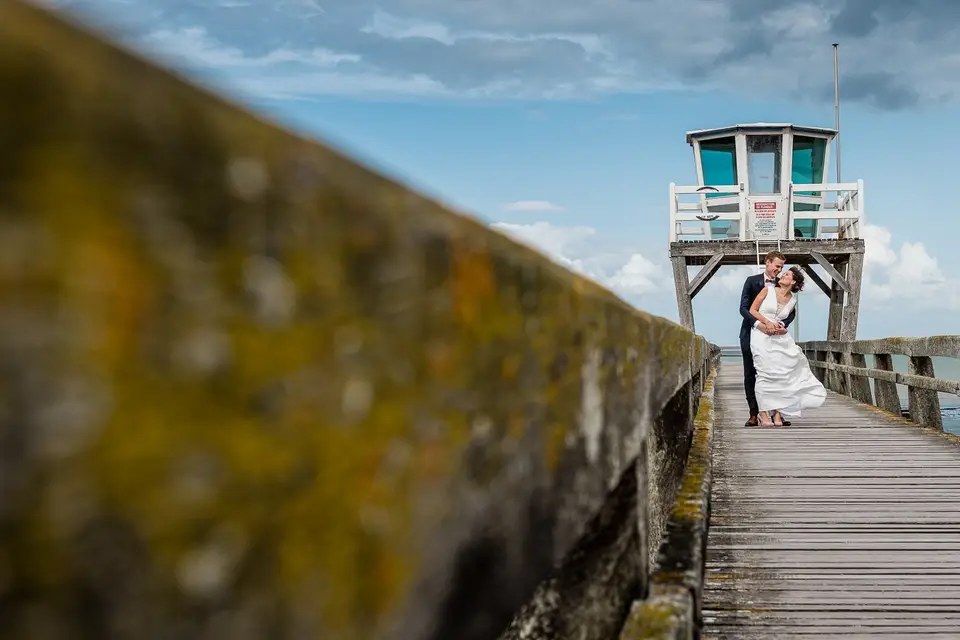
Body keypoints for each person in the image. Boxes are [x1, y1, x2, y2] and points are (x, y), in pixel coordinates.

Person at [748, 266, 826, 426]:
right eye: (784, 273)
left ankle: (777, 414)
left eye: (787, 274)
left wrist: (782, 326)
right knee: (764, 372)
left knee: (783, 375)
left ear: (794, 281)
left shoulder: (792, 301)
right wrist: (767, 322)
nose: (783, 274)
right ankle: (763, 414)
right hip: (761, 335)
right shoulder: (767, 290)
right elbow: (752, 310)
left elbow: (785, 320)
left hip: (780, 338)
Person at [739, 251, 794, 427]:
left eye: (782, 267)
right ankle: (754, 413)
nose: (779, 270)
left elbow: (790, 313)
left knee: (775, 374)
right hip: (751, 332)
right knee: (751, 374)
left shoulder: (782, 284)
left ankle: (776, 413)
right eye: (777, 266)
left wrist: (782, 325)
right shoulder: (752, 281)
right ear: (768, 263)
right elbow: (744, 308)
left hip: (774, 337)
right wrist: (759, 324)